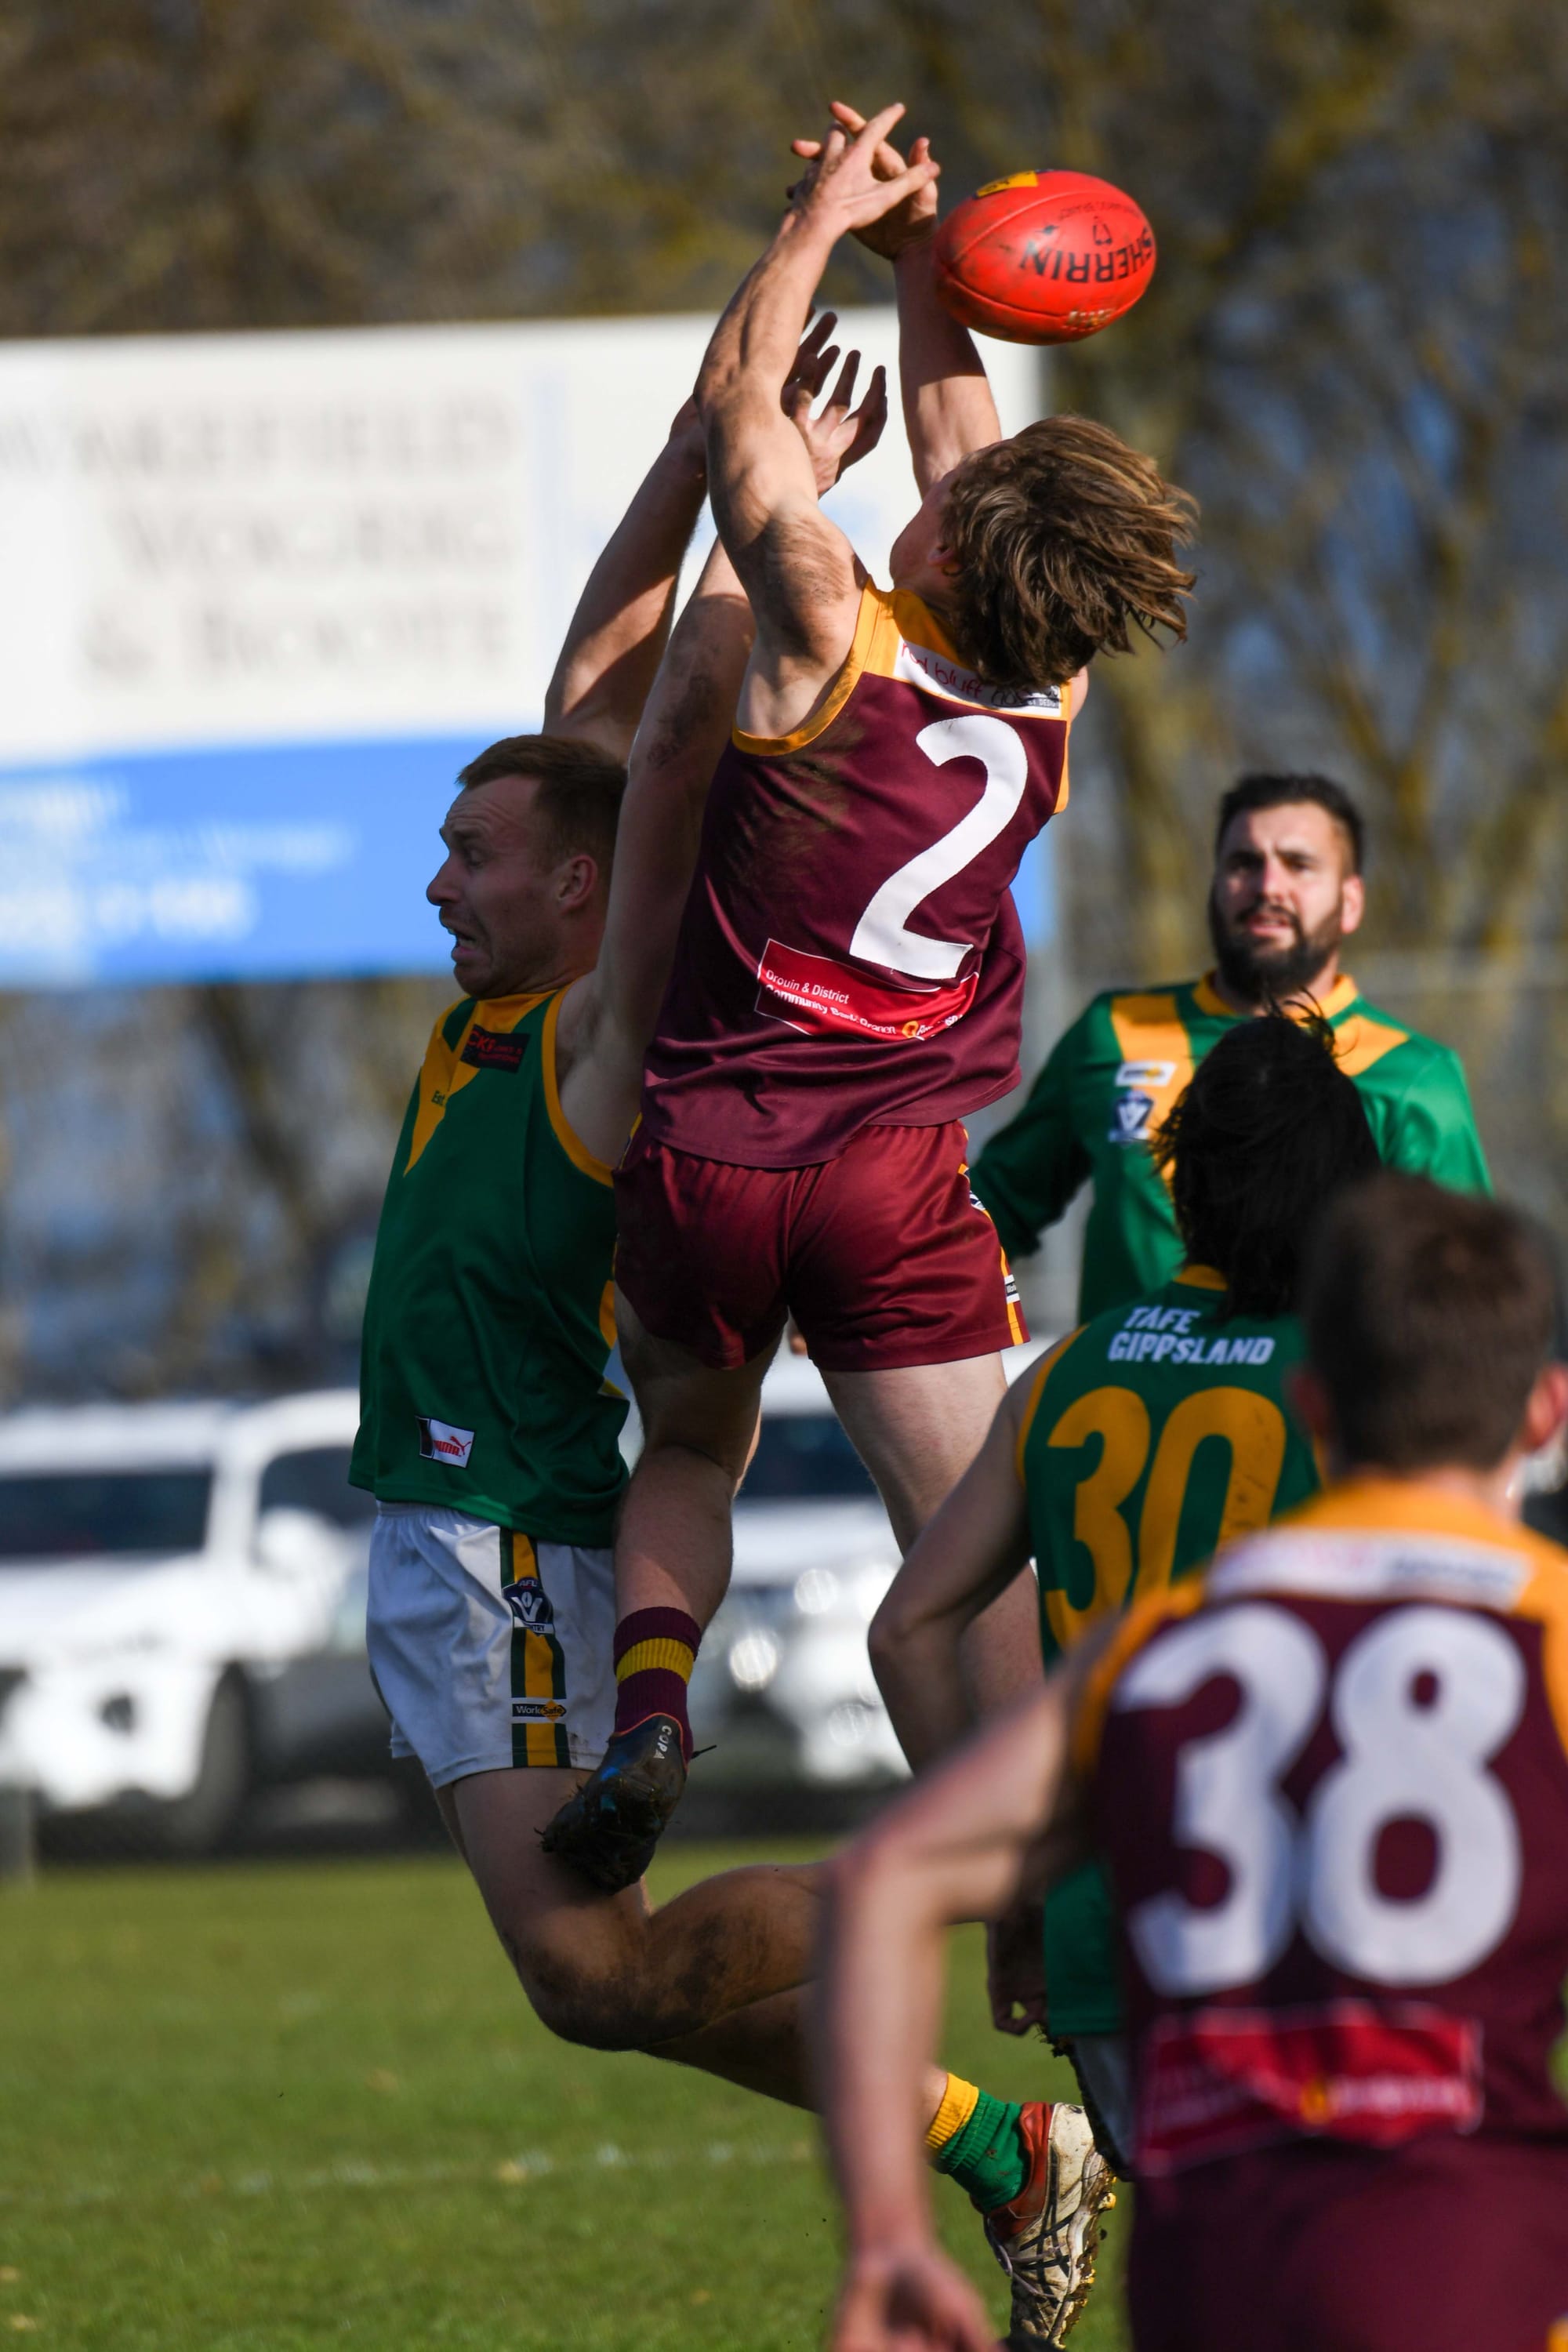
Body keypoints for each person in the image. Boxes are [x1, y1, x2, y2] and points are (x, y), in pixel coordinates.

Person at [348, 335, 1095, 2349]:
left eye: (474, 854)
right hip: (807, 1214)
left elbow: (656, 676)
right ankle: (999, 2104)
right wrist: (762, 407)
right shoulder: (1022, 702)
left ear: (580, 889)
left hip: (525, 1489)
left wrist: (780, 332)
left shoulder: (596, 1037)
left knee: (594, 1968)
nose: (440, 876)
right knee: (935, 1578)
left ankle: (965, 1902)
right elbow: (610, 668)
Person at [544, 100, 1197, 1898]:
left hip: (706, 1146)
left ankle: (650, 1710)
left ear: (954, 543)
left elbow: (746, 418)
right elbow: (960, 441)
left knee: (690, 1441)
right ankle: (1040, 1886)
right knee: (967, 1543)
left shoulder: (828, 627)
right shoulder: (1044, 682)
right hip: (897, 1167)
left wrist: (822, 225)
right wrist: (934, 280)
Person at [816, 1172, 1568, 2352]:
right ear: (1544, 1413)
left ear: (1315, 1403)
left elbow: (881, 1882)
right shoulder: (1546, 1635)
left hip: (1213, 2283)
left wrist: (889, 2236)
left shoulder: (1156, 1653)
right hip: (1465, 2269)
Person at [868, 1014, 1381, 2189]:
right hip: (1311, 1922)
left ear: (1183, 1183)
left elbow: (906, 1629)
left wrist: (1008, 1881)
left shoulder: (1068, 1369)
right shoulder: (1346, 1380)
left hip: (1108, 1923)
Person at [971, 770, 1491, 1322]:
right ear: (1216, 885)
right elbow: (994, 1214)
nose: (1268, 887)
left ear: (1351, 901)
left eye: (1299, 864)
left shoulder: (1413, 1076)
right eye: (1244, 863)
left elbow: (1465, 1294)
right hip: (1126, 1399)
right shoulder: (1116, 1032)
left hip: (1303, 1407)